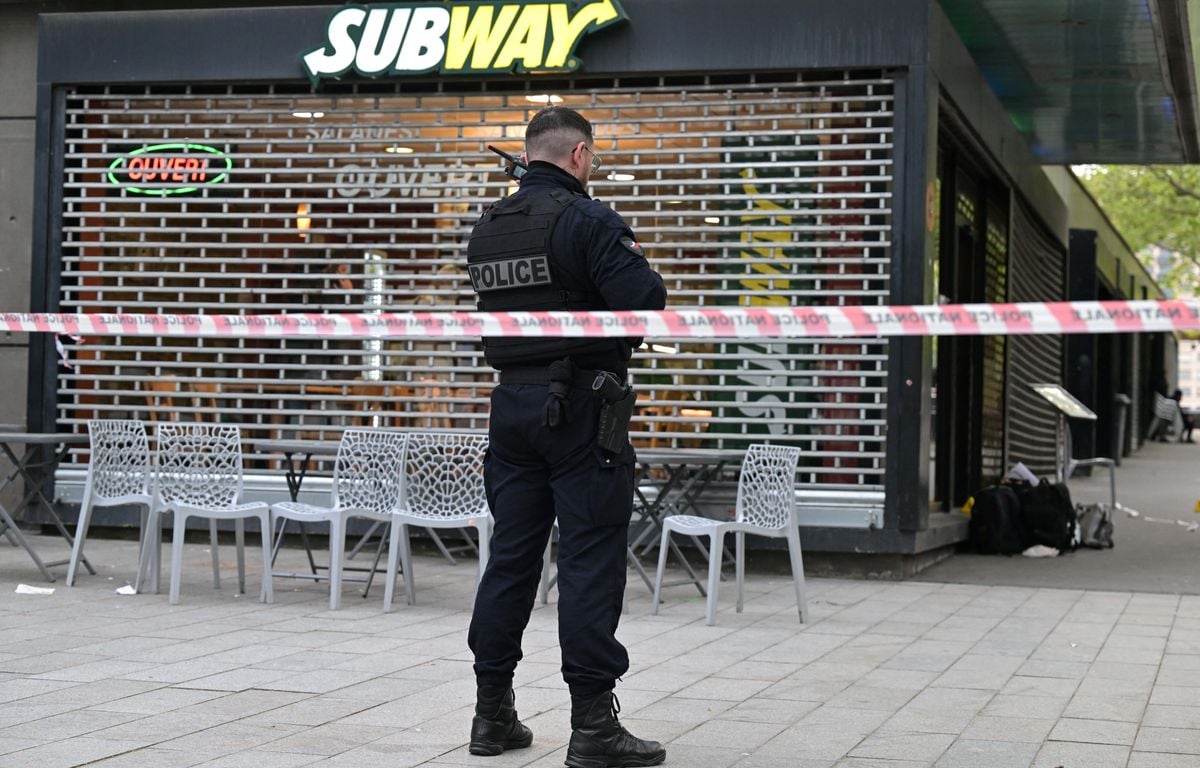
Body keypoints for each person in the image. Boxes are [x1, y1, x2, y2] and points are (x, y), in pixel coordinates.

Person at [464, 106, 668, 767]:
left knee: (511, 559)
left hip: (512, 408)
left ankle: (491, 715)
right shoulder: (589, 219)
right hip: (582, 409)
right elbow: (645, 298)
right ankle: (593, 728)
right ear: (579, 155)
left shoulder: (489, 228)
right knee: (588, 561)